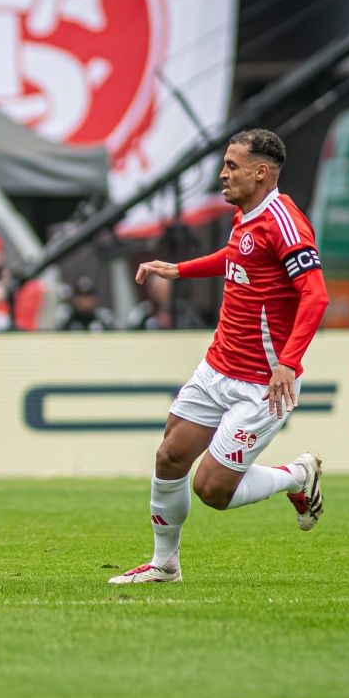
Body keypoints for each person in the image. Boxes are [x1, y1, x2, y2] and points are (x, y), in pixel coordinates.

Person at [108, 129, 330, 585]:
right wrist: (180, 270)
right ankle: (164, 564)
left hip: (263, 383)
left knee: (210, 488)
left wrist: (288, 363)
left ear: (260, 172)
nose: (222, 174)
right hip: (217, 367)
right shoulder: (245, 215)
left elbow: (316, 295)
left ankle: (296, 475)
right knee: (170, 456)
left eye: (232, 165)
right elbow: (237, 257)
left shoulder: (285, 222)